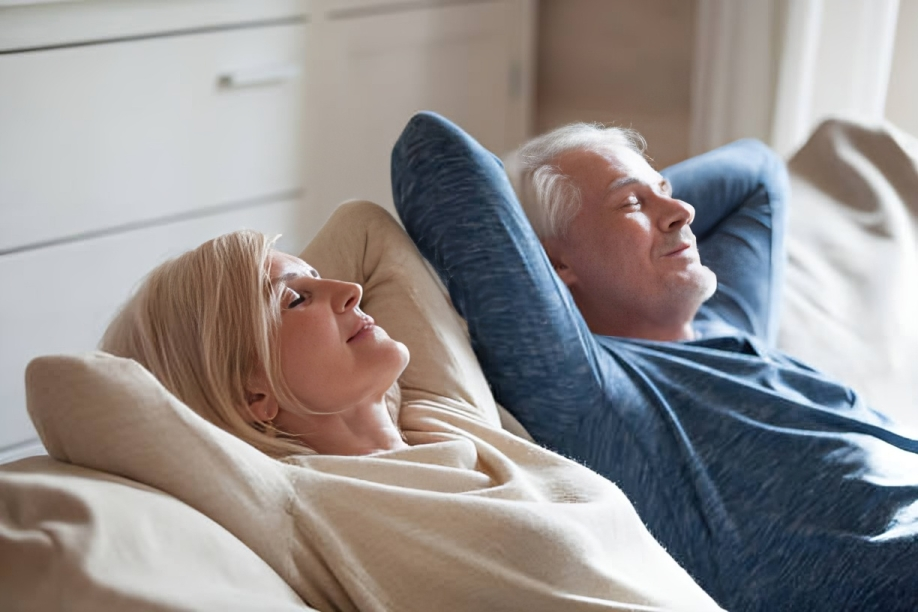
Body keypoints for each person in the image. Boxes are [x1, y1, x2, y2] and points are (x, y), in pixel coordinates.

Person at [392, 111, 918, 612]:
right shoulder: (595, 392)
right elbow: (433, 152)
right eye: (630, 205)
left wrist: (637, 194)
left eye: (667, 192)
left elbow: (756, 172)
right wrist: (558, 220)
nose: (684, 211)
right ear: (552, 263)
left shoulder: (729, 322)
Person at [97, 200, 724, 611]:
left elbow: (365, 228)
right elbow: (73, 391)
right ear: (250, 393)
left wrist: (274, 301)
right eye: (295, 299)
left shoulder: (441, 416)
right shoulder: (296, 501)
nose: (348, 289)